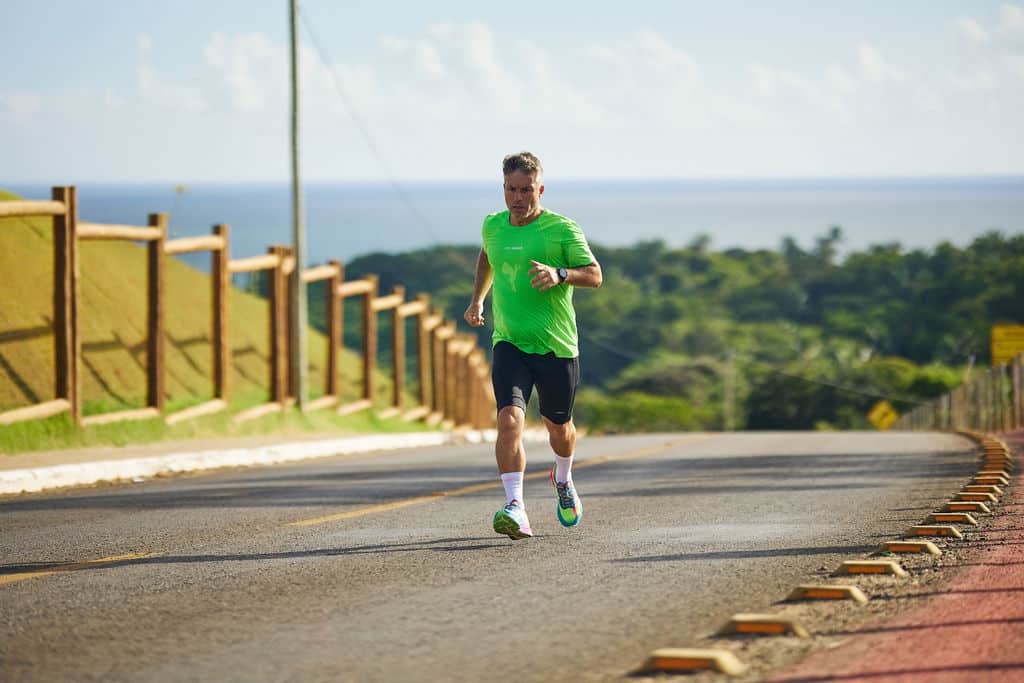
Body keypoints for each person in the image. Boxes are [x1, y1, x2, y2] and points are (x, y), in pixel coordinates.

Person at [464, 151, 603, 540]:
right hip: (509, 342)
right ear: (503, 188)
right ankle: (516, 506)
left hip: (556, 346)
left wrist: (559, 273)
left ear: (539, 189)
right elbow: (487, 257)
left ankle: (562, 477)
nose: (518, 198)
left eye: (526, 190)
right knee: (509, 420)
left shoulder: (561, 229)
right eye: (511, 189)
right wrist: (477, 299)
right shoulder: (493, 225)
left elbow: (594, 275)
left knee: (559, 427)